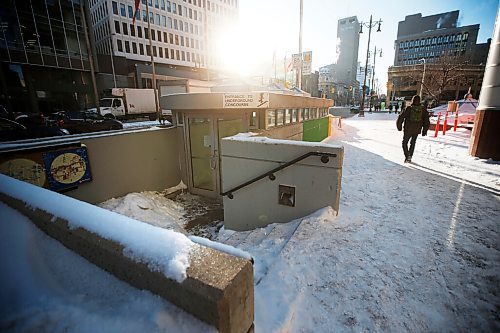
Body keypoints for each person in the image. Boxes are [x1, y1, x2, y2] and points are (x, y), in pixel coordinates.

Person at [396, 95, 430, 163]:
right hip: (417, 130)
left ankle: (407, 156)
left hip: (408, 129)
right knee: (413, 143)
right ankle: (410, 156)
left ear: (412, 100)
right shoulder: (423, 110)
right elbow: (426, 121)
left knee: (404, 143)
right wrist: (424, 130)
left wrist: (399, 127)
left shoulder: (408, 108)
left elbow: (400, 118)